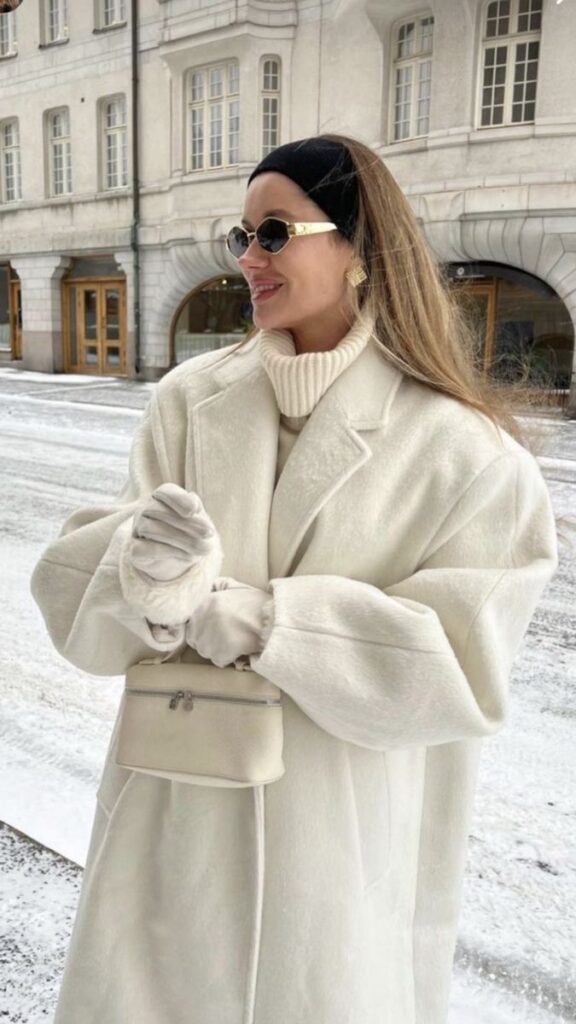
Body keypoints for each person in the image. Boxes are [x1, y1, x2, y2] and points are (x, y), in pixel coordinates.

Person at [31, 134, 558, 1024]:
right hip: (171, 835)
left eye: (273, 231)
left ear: (358, 247)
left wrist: (266, 621)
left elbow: (461, 672)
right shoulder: (188, 400)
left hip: (337, 865)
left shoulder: (466, 453)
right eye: (240, 235)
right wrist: (143, 574)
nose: (247, 259)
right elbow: (76, 599)